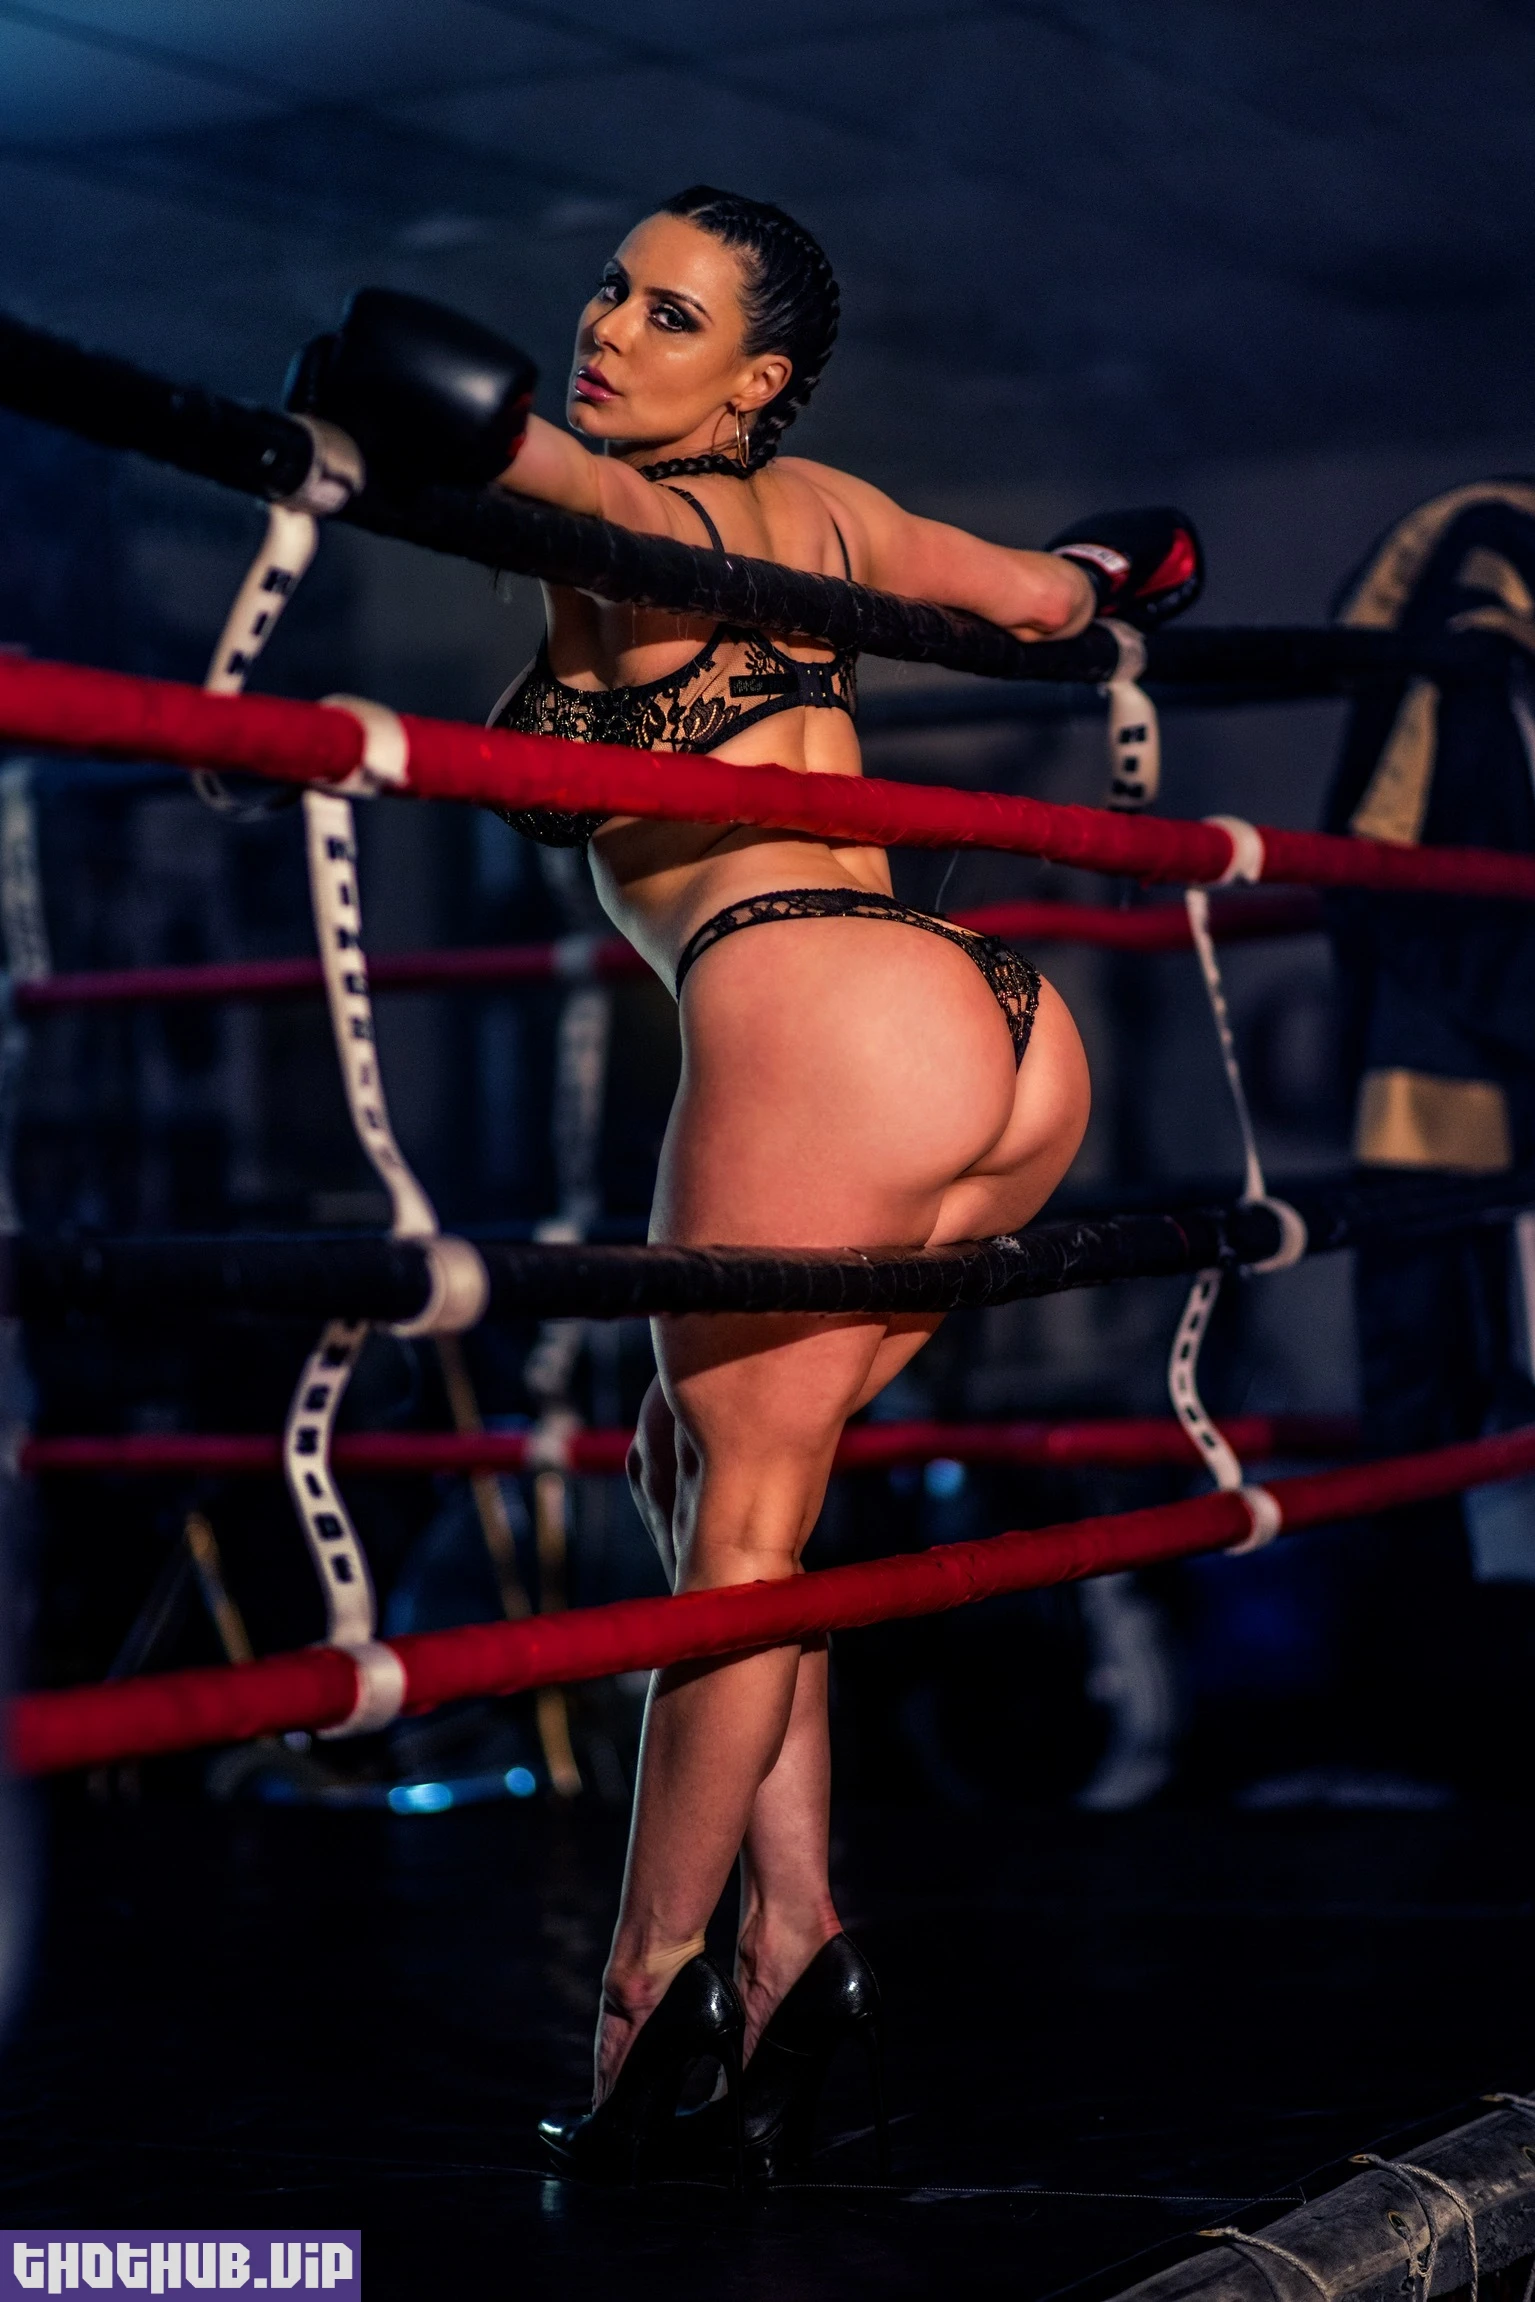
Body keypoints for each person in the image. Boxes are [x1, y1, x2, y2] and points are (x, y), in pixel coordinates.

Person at [289, 187, 1201, 2183]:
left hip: (819, 1009)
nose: (611, 328)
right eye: (609, 290)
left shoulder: (637, 514)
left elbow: (495, 437)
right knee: (691, 1469)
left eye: (670, 315)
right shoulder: (842, 515)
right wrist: (1123, 567)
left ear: (755, 377)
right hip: (997, 1026)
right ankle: (796, 1947)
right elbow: (1062, 597)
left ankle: (643, 2003)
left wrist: (382, 404)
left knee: (740, 1540)